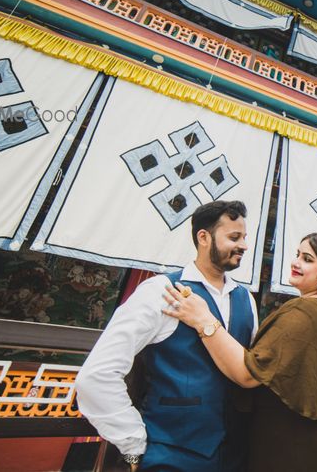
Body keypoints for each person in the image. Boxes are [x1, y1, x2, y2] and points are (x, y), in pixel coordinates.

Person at [75, 200, 259, 472]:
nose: (244, 245)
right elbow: (97, 375)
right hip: (171, 454)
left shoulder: (246, 300)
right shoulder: (160, 291)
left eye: (244, 237)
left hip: (235, 456)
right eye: (234, 237)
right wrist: (133, 446)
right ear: (204, 237)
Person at [162, 231, 317, 472]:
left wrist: (203, 319)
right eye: (297, 255)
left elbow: (248, 373)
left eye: (308, 259)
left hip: (292, 448)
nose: (296, 262)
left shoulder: (306, 312)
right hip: (304, 443)